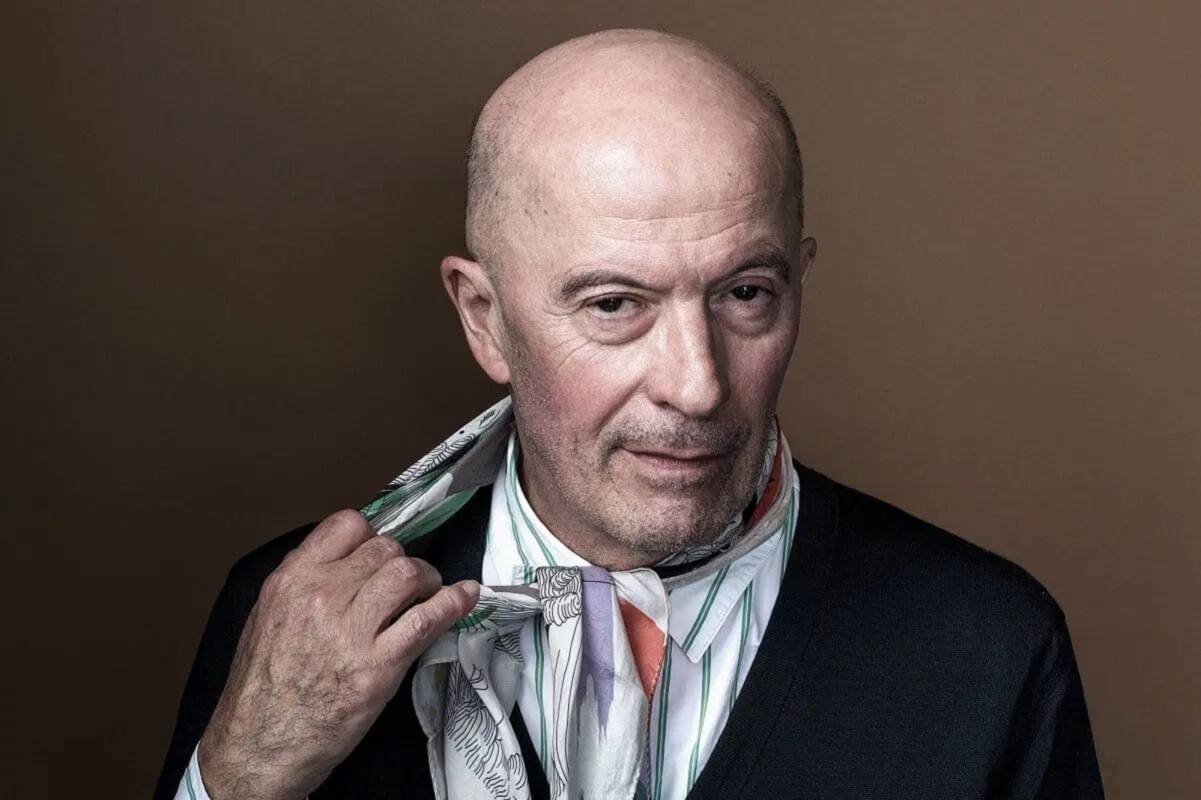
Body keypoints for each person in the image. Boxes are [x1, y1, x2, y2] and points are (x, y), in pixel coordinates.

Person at [155, 28, 1104, 800]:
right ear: (484, 320)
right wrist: (240, 778)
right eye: (614, 304)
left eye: (745, 294)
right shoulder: (294, 623)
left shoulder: (983, 648)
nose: (696, 386)